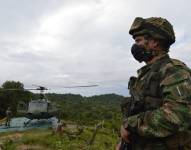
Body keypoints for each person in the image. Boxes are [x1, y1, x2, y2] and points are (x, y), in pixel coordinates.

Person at [117, 17, 191, 150]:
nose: (135, 46)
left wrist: (130, 124)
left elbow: (178, 115)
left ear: (154, 42)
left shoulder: (174, 71)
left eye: (138, 41)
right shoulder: (146, 74)